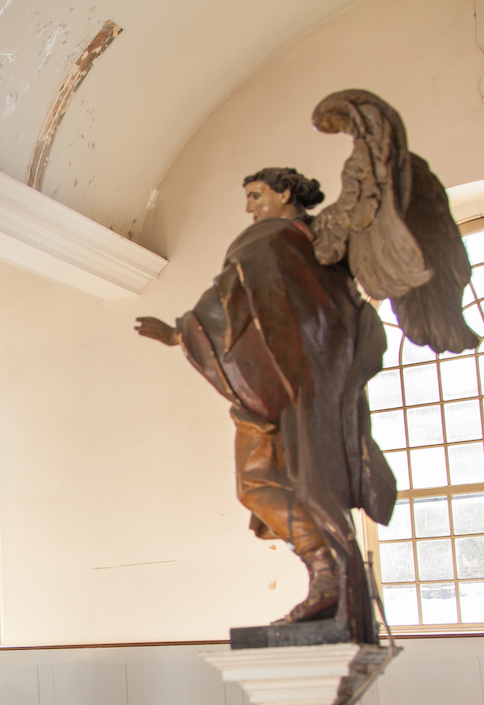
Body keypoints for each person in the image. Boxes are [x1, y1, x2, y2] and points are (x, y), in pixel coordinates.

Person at [135, 168, 396, 627]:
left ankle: (329, 572)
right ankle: (330, 573)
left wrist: (180, 333)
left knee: (263, 482)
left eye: (257, 195)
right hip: (300, 382)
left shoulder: (269, 241)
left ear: (285, 193)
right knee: (273, 481)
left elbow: (230, 298)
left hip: (282, 385)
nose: (250, 207)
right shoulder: (315, 245)